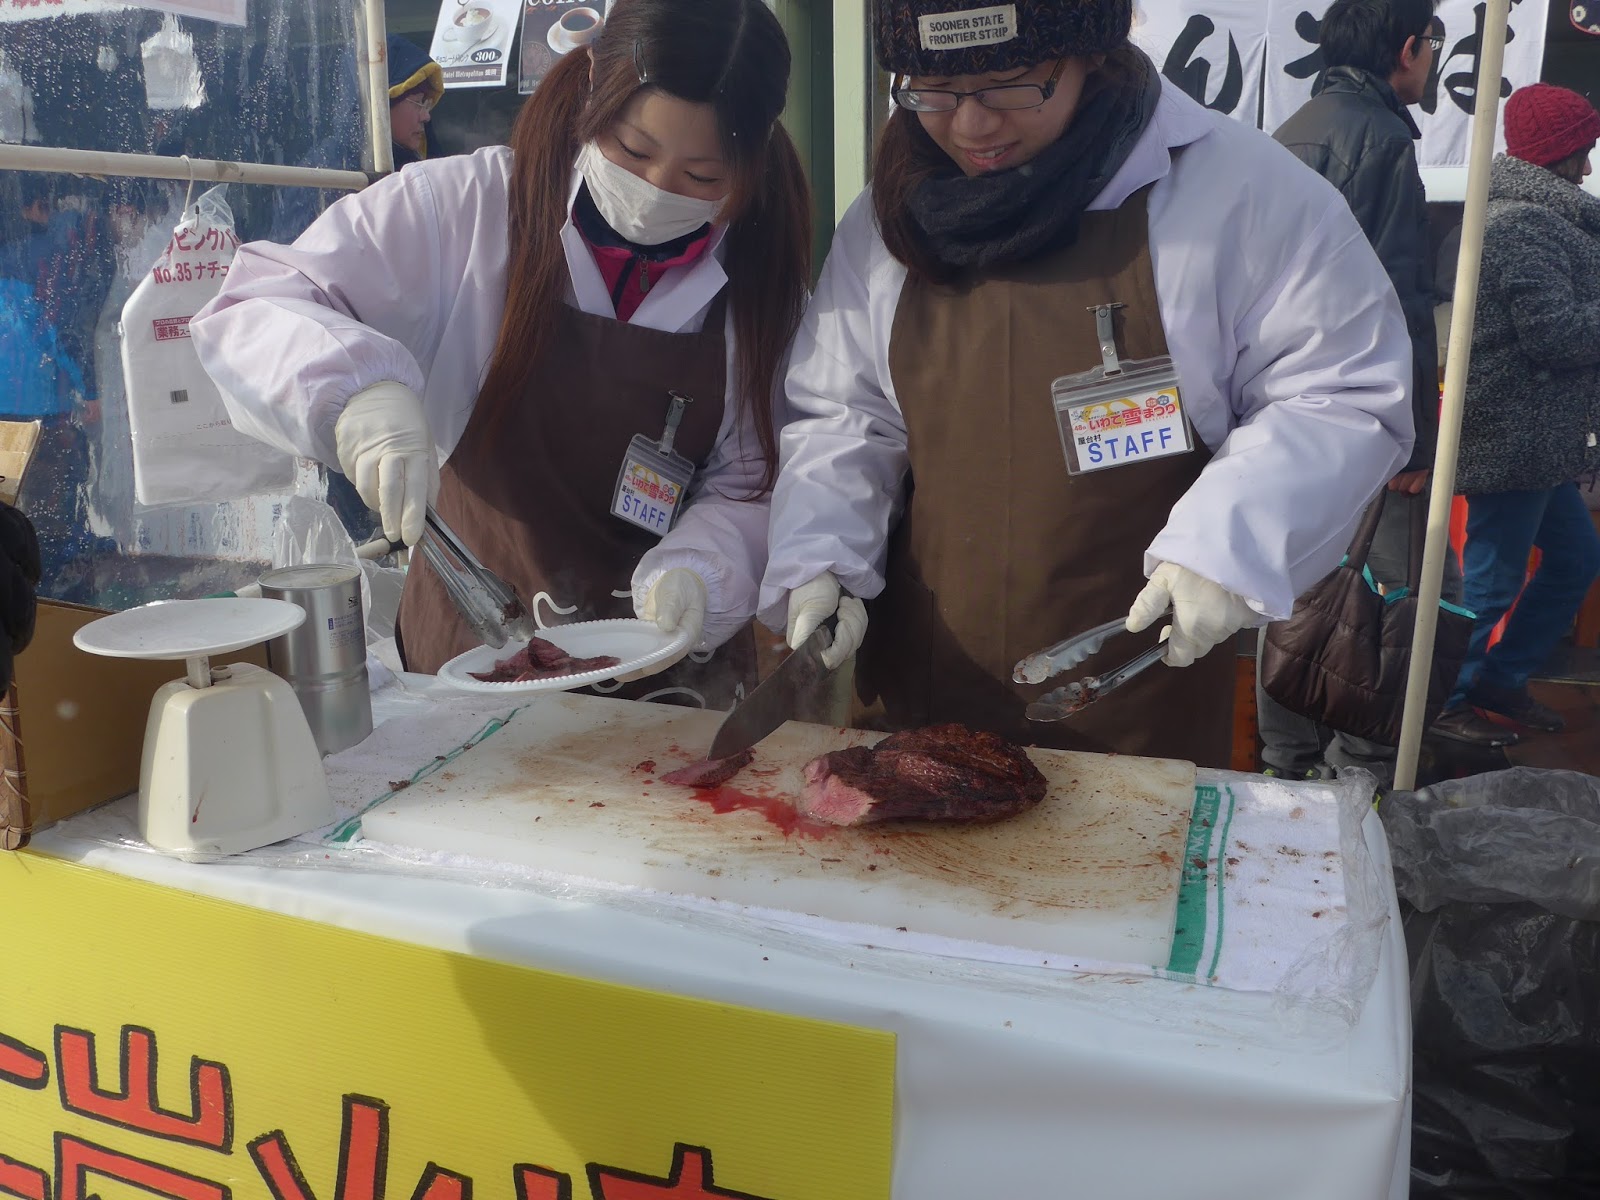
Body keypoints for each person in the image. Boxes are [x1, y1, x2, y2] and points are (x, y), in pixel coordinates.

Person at [758, 0, 1415, 767]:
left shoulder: (1241, 193)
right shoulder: (886, 216)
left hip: (1138, 696)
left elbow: (1338, 394)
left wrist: (1227, 546)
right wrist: (822, 558)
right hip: (919, 694)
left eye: (1008, 83)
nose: (971, 124)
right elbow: (846, 415)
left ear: (1091, 54)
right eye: (933, 89)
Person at [193, 0, 811, 707]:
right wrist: (357, 394)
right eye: (634, 150)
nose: (656, 192)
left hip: (671, 681)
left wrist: (705, 572)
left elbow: (754, 483)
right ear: (592, 87)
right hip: (476, 653)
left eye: (702, 178)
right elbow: (253, 309)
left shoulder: (764, 290)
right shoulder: (461, 209)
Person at [1256, 0, 1458, 785]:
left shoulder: (1294, 130)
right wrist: (1418, 439)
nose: (1432, 58)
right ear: (1407, 49)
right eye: (1432, 42)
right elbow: (1397, 300)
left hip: (1283, 405)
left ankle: (1285, 767)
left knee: (1297, 587)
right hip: (1358, 409)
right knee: (1392, 599)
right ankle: (1359, 778)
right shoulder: (1378, 139)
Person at [1428, 83, 1600, 746]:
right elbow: (1554, 335)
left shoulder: (1543, 217)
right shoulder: (1521, 223)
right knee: (1491, 583)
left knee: (1575, 558)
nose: (1589, 166)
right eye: (1583, 151)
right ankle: (1443, 702)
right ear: (1559, 154)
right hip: (1512, 437)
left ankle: (1500, 679)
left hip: (1540, 439)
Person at [269, 36, 446, 244]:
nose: (426, 116)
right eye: (418, 103)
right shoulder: (327, 172)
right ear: (382, 102)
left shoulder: (417, 169)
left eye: (427, 104)